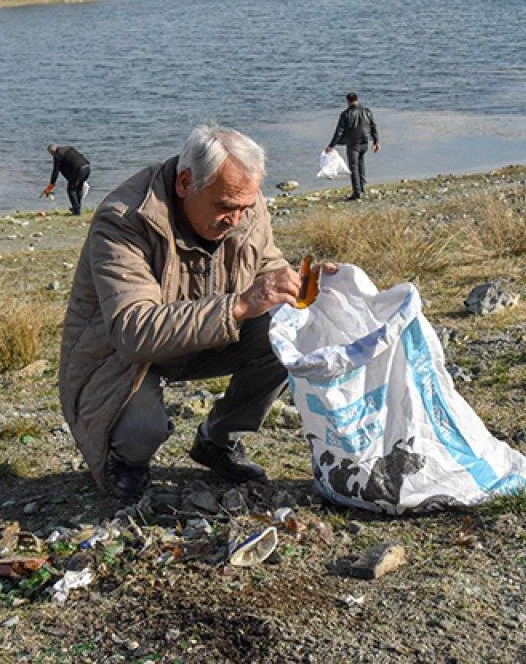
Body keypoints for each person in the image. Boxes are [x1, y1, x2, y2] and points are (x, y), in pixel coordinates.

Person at [59, 125, 301, 500]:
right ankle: (126, 460)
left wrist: (303, 289)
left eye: (244, 207)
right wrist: (238, 306)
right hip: (121, 359)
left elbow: (265, 262)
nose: (236, 220)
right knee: (143, 430)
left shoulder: (243, 204)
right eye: (224, 207)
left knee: (288, 334)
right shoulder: (123, 220)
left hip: (205, 335)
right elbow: (133, 331)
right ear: (185, 183)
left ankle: (218, 440)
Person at [325, 92, 380, 201]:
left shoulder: (346, 114)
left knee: (353, 168)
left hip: (353, 144)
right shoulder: (367, 111)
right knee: (361, 165)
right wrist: (376, 142)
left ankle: (357, 193)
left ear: (348, 101)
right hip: (365, 143)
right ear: (357, 99)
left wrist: (331, 146)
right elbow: (373, 126)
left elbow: (339, 131)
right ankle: (362, 189)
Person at [42, 144, 91, 215]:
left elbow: (55, 172)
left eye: (51, 154)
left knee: (71, 190)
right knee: (78, 188)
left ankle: (76, 212)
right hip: (87, 168)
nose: (52, 156)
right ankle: (77, 209)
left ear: (52, 152)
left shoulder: (58, 155)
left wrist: (50, 186)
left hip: (79, 170)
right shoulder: (69, 148)